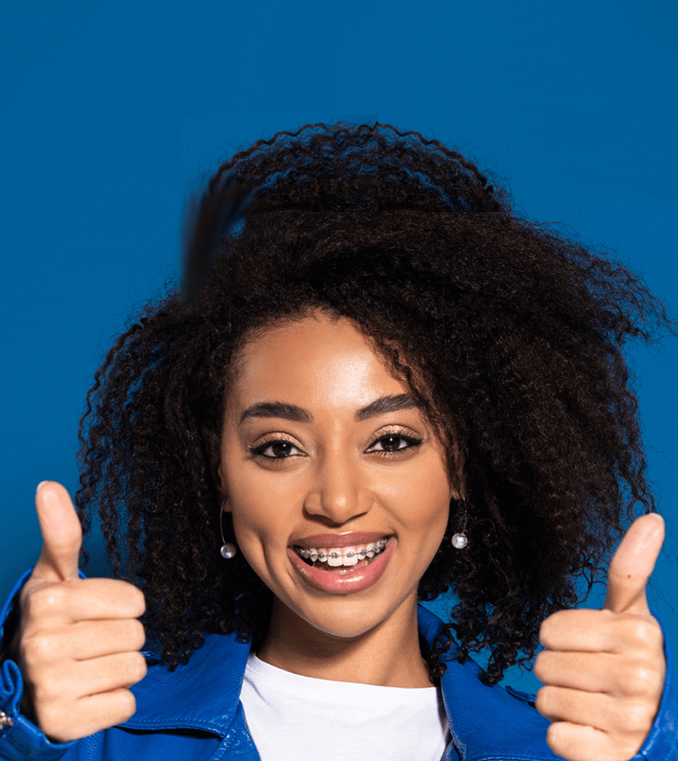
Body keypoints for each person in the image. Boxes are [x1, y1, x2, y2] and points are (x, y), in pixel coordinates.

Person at [0, 122, 676, 761]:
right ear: (219, 476)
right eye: (278, 447)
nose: (338, 499)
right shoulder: (92, 734)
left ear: (462, 463)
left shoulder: (574, 750)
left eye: (389, 440)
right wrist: (18, 724)